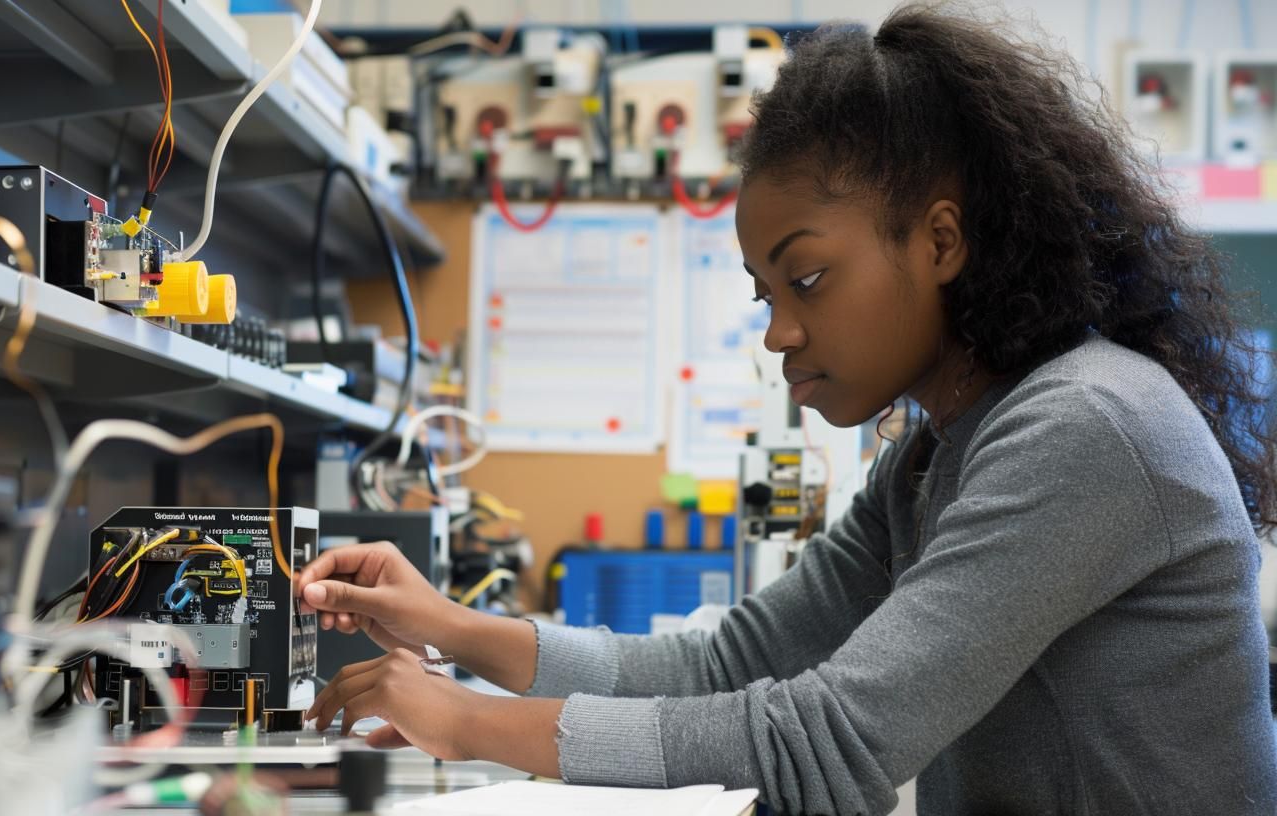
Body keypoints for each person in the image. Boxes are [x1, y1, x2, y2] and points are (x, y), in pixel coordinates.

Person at [297, 5, 1277, 814]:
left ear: (940, 242)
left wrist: (464, 722)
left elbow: (832, 736)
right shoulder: (933, 460)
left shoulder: (1083, 427)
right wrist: (451, 629)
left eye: (808, 277)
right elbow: (735, 662)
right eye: (767, 294)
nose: (779, 333)